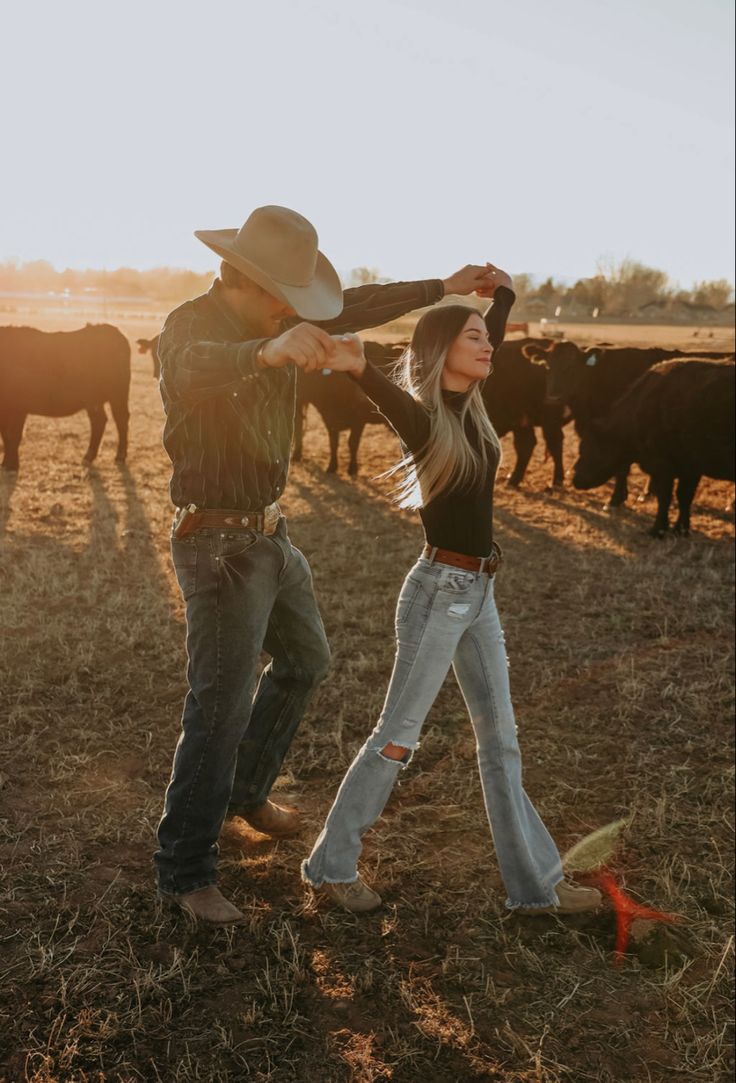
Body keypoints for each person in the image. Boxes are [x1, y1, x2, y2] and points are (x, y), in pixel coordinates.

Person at [154, 204, 498, 925]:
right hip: (216, 542)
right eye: (292, 300)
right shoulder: (195, 326)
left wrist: (443, 285)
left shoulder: (281, 319)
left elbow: (356, 305)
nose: (306, 313)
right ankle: (186, 869)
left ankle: (247, 791)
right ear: (257, 284)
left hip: (272, 535)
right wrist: (266, 353)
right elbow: (187, 372)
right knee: (218, 707)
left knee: (307, 660)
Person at [301, 271, 603, 916]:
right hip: (440, 591)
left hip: (479, 590)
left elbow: (483, 334)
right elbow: (396, 396)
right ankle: (331, 866)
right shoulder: (427, 418)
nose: (489, 345)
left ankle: (535, 890)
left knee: (502, 741)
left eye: (486, 337)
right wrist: (359, 369)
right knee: (398, 736)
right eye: (475, 339)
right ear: (443, 352)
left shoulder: (471, 405)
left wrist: (501, 304)